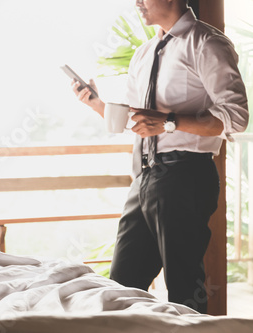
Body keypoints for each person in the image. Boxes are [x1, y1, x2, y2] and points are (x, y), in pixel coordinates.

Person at [73, 0, 249, 313]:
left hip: (186, 175)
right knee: (121, 287)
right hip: (145, 178)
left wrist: (170, 121)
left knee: (183, 286)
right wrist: (98, 105)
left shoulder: (206, 42)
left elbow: (236, 116)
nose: (137, 2)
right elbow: (140, 123)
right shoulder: (143, 53)